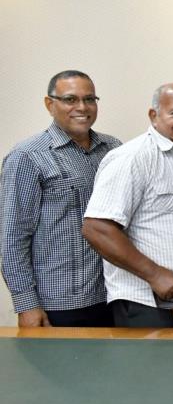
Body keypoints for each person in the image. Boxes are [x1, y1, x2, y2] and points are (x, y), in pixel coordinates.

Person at [82, 83, 173, 328]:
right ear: (153, 116)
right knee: (155, 368)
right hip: (150, 304)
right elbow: (96, 228)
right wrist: (155, 274)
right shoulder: (133, 158)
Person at [1, 71, 121, 327]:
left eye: (90, 99)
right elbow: (13, 237)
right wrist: (27, 304)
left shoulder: (114, 150)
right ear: (49, 104)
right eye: (70, 99)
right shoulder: (27, 156)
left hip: (114, 296)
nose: (82, 107)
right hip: (59, 303)